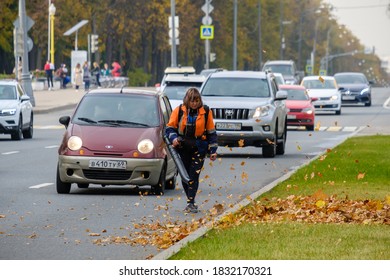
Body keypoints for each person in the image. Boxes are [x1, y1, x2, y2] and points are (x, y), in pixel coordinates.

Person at [165, 87, 218, 213]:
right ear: (187, 100)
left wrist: (213, 150)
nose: (194, 103)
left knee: (194, 174)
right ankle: (190, 198)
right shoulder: (179, 111)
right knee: (185, 175)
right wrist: (174, 139)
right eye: (192, 101)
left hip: (199, 147)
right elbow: (170, 128)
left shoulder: (205, 111)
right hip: (182, 147)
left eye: (197, 100)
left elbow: (211, 132)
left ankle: (191, 201)